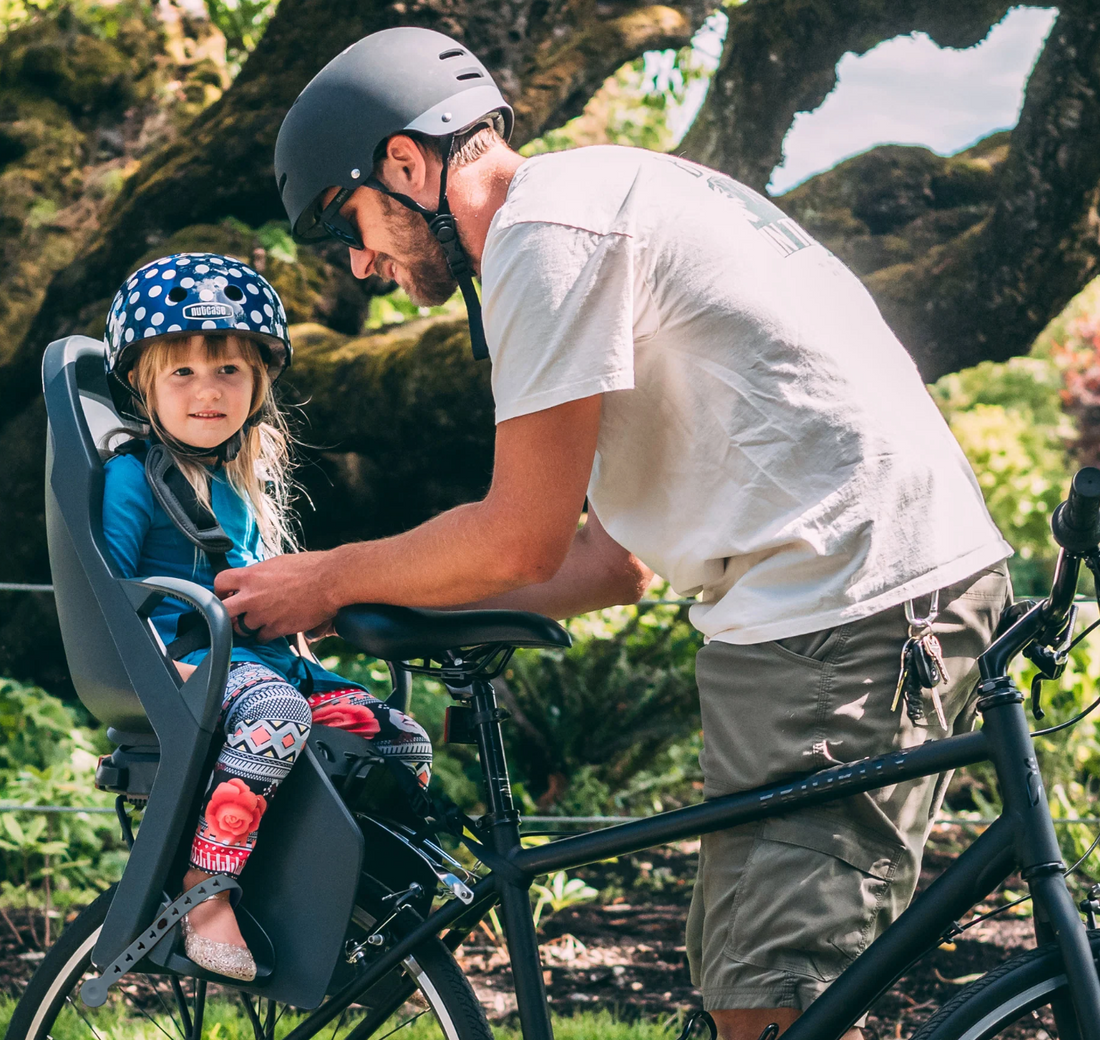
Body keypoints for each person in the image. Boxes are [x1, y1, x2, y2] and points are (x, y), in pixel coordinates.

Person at [223, 29, 1012, 1038]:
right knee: (742, 984)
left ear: (407, 163)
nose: (359, 263)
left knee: (777, 999)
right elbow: (607, 562)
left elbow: (519, 541)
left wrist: (329, 577)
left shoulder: (541, 236)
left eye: (346, 222)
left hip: (849, 599)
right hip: (821, 598)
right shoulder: (589, 201)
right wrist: (370, 601)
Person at [99, 252, 433, 982]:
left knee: (399, 738)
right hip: (188, 663)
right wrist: (167, 663)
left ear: (258, 385)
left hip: (263, 662)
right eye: (182, 372)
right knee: (276, 713)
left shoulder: (239, 482)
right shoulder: (133, 480)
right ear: (144, 383)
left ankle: (346, 889)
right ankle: (203, 886)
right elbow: (113, 593)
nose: (207, 391)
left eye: (229, 372)